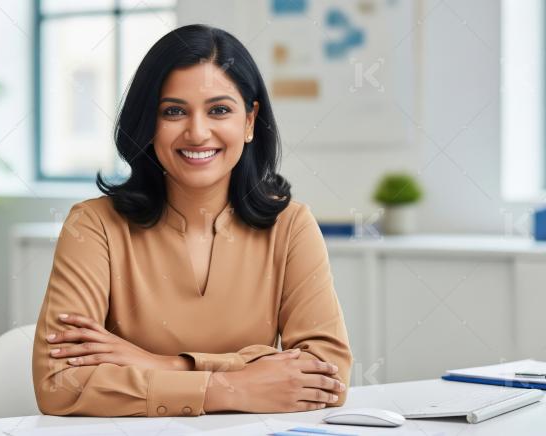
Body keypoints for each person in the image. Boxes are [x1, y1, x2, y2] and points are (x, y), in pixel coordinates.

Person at [32, 24, 352, 417]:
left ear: (250, 121)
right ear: (149, 123)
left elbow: (329, 378)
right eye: (174, 111)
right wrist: (229, 388)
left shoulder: (292, 226)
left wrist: (164, 365)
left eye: (219, 110)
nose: (197, 133)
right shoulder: (93, 226)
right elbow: (58, 384)